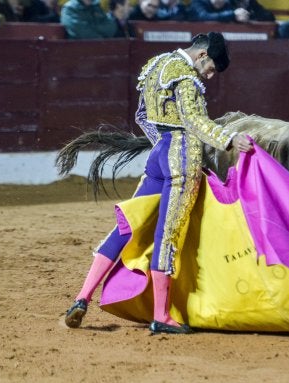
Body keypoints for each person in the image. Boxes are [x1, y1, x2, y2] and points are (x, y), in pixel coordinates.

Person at [63, 32, 253, 335]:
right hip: (182, 155)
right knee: (169, 233)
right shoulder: (188, 78)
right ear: (203, 55)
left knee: (129, 225)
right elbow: (194, 121)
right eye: (212, 69)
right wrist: (229, 138)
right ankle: (161, 315)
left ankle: (81, 298)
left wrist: (162, 145)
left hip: (159, 155)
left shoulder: (155, 66)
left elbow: (142, 115)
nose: (210, 75)